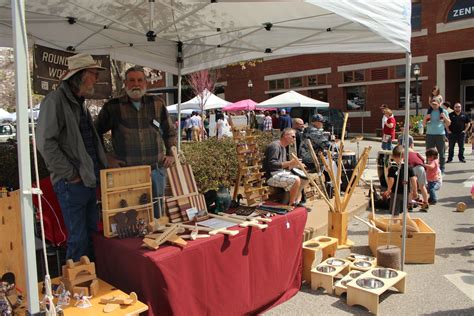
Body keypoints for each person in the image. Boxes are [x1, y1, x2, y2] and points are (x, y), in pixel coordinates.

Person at [36, 53, 108, 260]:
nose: (96, 79)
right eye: (93, 74)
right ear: (81, 75)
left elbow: (85, 143)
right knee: (78, 239)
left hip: (86, 180)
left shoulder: (79, 102)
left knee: (92, 234)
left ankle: (92, 281)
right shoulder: (55, 100)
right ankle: (77, 288)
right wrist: (70, 174)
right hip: (73, 183)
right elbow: (45, 143)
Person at [95, 65, 177, 218]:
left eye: (140, 80)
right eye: (131, 80)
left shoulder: (157, 103)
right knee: (130, 216)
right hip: (127, 173)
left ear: (145, 83)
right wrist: (106, 157)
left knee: (157, 215)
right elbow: (95, 132)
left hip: (155, 171)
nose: (136, 84)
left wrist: (171, 152)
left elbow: (170, 132)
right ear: (125, 83)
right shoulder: (112, 107)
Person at [262, 128, 308, 207]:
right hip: (271, 175)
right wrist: (290, 163)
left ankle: (294, 202)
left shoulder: (283, 147)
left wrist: (295, 165)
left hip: (279, 173)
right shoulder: (275, 146)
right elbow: (272, 164)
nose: (294, 139)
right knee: (296, 180)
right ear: (286, 136)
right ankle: (291, 204)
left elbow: (283, 165)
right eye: (293, 136)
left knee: (304, 178)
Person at [382, 145, 417, 216]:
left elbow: (391, 180)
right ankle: (405, 223)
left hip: (395, 193)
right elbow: (413, 180)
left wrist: (388, 190)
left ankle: (395, 224)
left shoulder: (392, 168)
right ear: (404, 157)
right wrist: (415, 191)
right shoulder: (408, 167)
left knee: (395, 212)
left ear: (393, 156)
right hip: (405, 192)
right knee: (404, 211)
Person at [423, 99, 451, 173]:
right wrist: (426, 117)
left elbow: (448, 123)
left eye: (435, 104)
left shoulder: (444, 111)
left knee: (441, 152)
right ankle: (429, 167)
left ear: (439, 104)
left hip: (440, 134)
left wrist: (444, 117)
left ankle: (442, 168)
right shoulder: (428, 111)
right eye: (432, 104)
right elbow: (424, 124)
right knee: (429, 152)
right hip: (430, 134)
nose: (433, 105)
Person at [406, 138, 429, 212]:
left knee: (410, 187)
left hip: (411, 168)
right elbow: (423, 160)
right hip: (420, 167)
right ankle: (426, 203)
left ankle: (410, 204)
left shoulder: (404, 153)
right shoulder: (416, 153)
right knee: (422, 186)